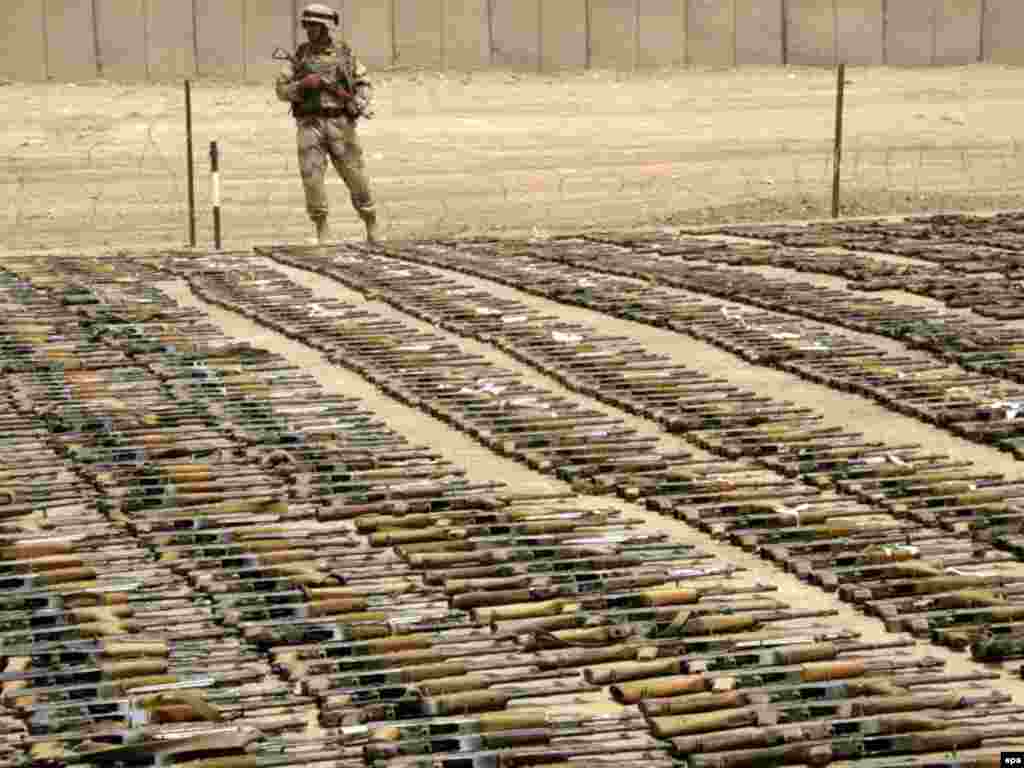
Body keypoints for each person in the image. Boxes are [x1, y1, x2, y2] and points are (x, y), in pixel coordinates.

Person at [275, 3, 380, 245]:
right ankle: (322, 227)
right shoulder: (300, 56)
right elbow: (281, 90)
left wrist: (358, 102)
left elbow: (364, 83)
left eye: (315, 26)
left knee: (355, 175)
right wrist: (302, 86)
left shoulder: (344, 55)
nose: (310, 30)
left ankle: (370, 221)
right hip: (310, 124)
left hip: (340, 124)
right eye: (307, 25)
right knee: (311, 178)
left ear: (326, 27)